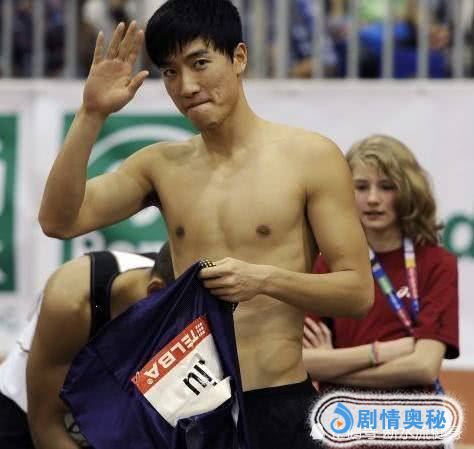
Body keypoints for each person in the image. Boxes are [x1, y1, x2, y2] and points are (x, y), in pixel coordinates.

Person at [38, 0, 373, 446]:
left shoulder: (310, 158)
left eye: (199, 63)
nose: (187, 86)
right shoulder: (160, 165)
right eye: (170, 72)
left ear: (239, 57)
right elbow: (58, 221)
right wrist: (91, 114)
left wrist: (264, 279)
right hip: (192, 414)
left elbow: (357, 292)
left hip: (277, 402)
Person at [303, 135, 459, 440]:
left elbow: (424, 367)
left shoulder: (437, 263)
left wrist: (335, 365)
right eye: (361, 187)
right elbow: (305, 364)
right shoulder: (326, 263)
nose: (373, 199)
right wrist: (383, 351)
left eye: (387, 186)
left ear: (409, 190)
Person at [0, 244, 173, 449]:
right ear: (155, 292)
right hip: (26, 418)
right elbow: (47, 426)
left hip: (108, 418)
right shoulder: (73, 301)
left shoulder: (183, 288)